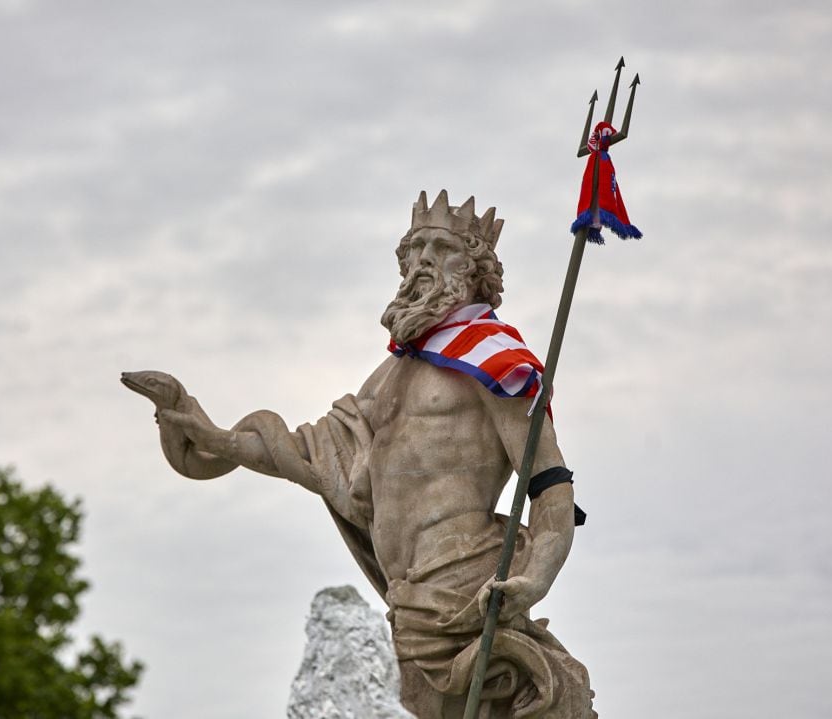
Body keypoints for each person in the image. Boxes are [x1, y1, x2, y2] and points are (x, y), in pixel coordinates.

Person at [122, 190, 595, 718]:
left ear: (474, 268)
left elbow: (551, 483)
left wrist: (535, 577)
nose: (421, 263)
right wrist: (201, 429)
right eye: (414, 250)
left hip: (468, 585)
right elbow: (307, 452)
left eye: (439, 250)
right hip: (408, 597)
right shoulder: (389, 377)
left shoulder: (494, 358)